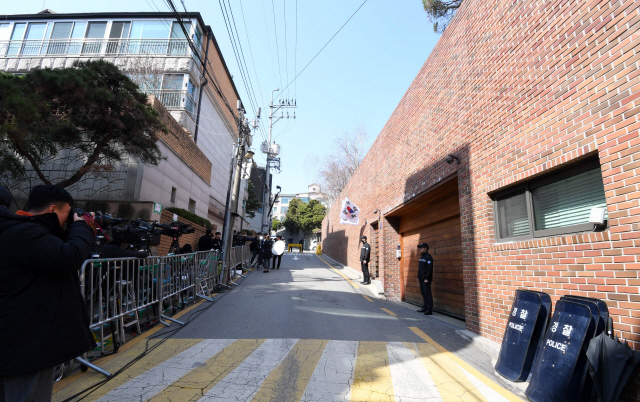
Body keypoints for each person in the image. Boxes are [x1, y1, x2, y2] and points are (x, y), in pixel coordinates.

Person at [0, 185, 95, 402]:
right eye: (67, 214)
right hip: (26, 342)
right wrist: (83, 227)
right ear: (52, 210)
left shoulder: (16, 229)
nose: (68, 220)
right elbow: (69, 257)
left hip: (19, 336)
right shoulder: (24, 232)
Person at [417, 242, 434, 315]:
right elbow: (420, 269)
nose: (420, 249)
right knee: (423, 293)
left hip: (426, 279)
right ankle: (425, 307)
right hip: (421, 278)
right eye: (419, 248)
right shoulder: (421, 257)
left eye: (421, 248)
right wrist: (418, 276)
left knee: (428, 294)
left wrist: (426, 278)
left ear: (426, 249)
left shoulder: (428, 257)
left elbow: (429, 269)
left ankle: (429, 309)